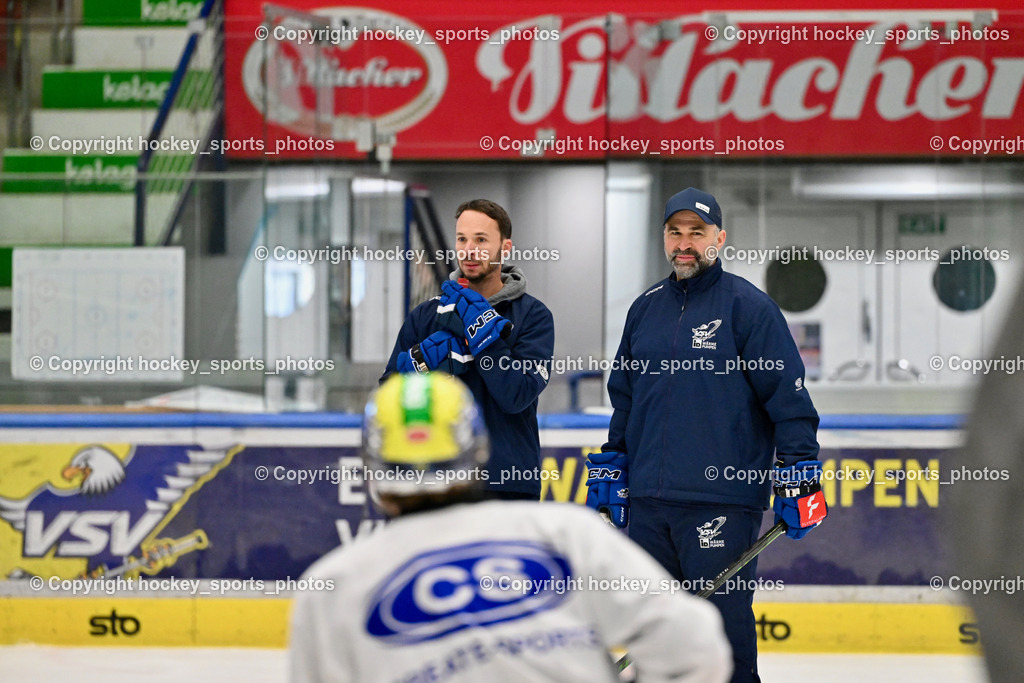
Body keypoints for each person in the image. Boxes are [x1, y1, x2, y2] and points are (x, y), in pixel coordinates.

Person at [289, 372, 732, 683]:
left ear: (371, 469)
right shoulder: (565, 535)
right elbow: (694, 645)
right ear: (479, 450)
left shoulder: (331, 589)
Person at [587, 187, 826, 683]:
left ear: (719, 238)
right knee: (654, 640)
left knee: (723, 639)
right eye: (676, 231)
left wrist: (800, 471)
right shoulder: (644, 309)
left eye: (697, 232)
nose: (685, 242)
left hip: (720, 502)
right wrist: (615, 461)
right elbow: (625, 400)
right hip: (651, 502)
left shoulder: (750, 309)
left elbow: (789, 400)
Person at [382, 199, 554, 500]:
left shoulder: (533, 316)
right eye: (462, 239)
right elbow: (388, 397)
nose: (469, 249)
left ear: (506, 247)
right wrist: (418, 365)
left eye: (481, 240)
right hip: (437, 481)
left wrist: (484, 338)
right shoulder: (426, 316)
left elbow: (517, 396)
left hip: (507, 486)